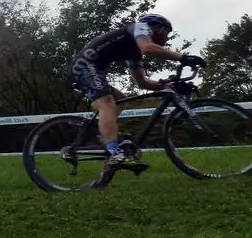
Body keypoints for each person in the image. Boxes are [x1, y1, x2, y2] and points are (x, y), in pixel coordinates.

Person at [70, 13, 206, 168]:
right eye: (166, 32)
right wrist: (183, 58)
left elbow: (142, 83)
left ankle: (108, 138)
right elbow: (148, 47)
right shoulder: (140, 27)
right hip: (85, 67)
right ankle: (114, 152)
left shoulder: (134, 52)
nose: (167, 38)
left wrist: (166, 83)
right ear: (157, 27)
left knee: (120, 100)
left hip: (92, 68)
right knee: (108, 104)